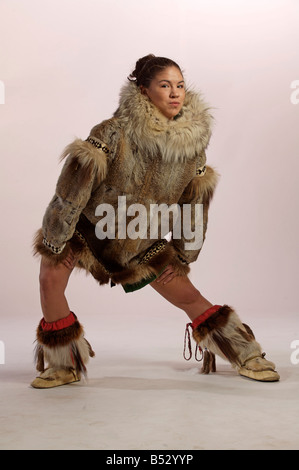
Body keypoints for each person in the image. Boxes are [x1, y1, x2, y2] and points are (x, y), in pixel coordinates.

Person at [31, 54, 279, 388]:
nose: (176, 93)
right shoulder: (111, 132)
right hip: (88, 232)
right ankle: (64, 363)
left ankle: (247, 353)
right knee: (50, 277)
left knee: (190, 298)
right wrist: (56, 238)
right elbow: (72, 190)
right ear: (145, 90)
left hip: (141, 240)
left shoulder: (193, 146)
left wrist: (182, 254)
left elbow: (193, 205)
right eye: (165, 85)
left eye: (180, 85)